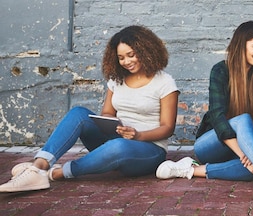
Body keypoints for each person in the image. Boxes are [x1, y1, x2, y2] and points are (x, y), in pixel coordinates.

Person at [0, 25, 179, 193]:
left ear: (145, 51)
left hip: (148, 150)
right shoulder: (117, 80)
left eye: (131, 55)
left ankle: (57, 173)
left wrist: (138, 135)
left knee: (118, 146)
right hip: (115, 140)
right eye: (121, 57)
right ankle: (38, 167)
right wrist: (112, 124)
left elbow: (167, 128)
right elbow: (107, 113)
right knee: (79, 113)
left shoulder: (164, 82)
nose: (126, 62)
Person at [156, 21, 253, 201]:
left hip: (247, 144)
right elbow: (217, 117)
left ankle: (190, 169)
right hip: (212, 143)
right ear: (241, 45)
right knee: (244, 121)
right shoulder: (220, 71)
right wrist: (245, 154)